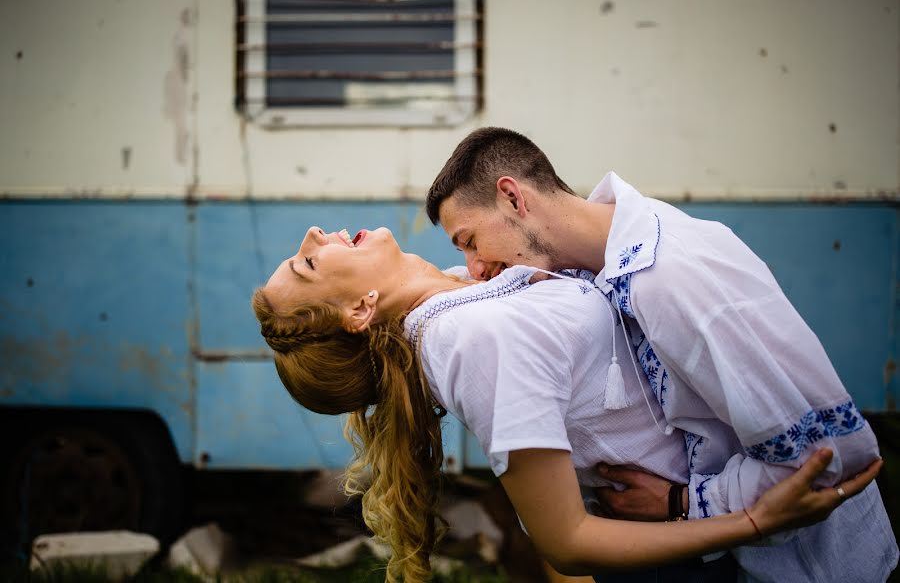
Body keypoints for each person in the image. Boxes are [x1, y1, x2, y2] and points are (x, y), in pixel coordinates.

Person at [251, 225, 881, 583]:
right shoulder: (472, 340)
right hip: (702, 566)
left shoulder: (468, 292)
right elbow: (566, 540)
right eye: (309, 261)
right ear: (360, 310)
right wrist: (753, 523)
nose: (313, 233)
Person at [425, 127, 898, 582]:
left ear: (513, 197)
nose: (475, 269)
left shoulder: (669, 280)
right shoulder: (601, 258)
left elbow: (830, 456)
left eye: (470, 242)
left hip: (816, 568)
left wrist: (681, 502)